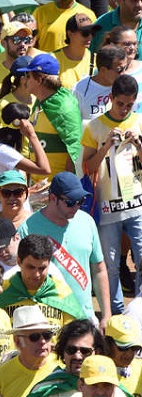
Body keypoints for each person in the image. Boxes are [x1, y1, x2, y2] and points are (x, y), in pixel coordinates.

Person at [82, 74, 142, 314]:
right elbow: (88, 168)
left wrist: (139, 145)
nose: (125, 109)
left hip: (137, 204)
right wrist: (105, 145)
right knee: (111, 263)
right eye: (120, 104)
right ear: (111, 98)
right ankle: (116, 311)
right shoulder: (94, 126)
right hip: (107, 208)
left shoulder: (138, 121)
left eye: (130, 104)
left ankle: (138, 308)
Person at [19, 172, 111, 328]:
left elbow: (99, 269)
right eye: (70, 202)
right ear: (53, 198)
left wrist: (106, 314)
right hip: (46, 319)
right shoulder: (28, 227)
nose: (76, 206)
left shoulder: (87, 221)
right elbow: (21, 275)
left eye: (80, 201)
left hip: (84, 317)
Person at [19, 319, 141, 397]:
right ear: (62, 352)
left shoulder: (116, 393)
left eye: (85, 351)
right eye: (71, 350)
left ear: (97, 352)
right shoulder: (44, 392)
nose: (77, 356)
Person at [0, 234, 83, 330]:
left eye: (42, 268)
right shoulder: (2, 292)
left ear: (49, 264)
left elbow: (75, 336)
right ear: (19, 262)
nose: (36, 274)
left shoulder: (63, 293)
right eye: (31, 267)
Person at [18, 54, 82, 182]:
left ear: (40, 79)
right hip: (39, 185)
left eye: (28, 76)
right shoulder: (42, 101)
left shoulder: (63, 107)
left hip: (57, 188)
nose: (24, 80)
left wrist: (65, 186)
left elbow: (74, 148)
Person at [0, 305, 58, 397]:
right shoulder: (1, 376)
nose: (42, 341)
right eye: (34, 337)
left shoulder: (62, 366)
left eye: (47, 335)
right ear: (17, 341)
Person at [0, 105, 50, 214]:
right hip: (10, 219)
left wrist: (27, 191)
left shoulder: (2, 150)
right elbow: (45, 169)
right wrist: (32, 136)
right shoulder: (3, 151)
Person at [72, 45, 127, 126]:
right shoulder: (80, 89)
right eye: (119, 69)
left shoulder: (126, 87)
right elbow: (72, 124)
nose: (123, 73)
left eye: (125, 68)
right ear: (103, 70)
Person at [0, 56, 35, 134]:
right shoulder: (3, 104)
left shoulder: (39, 99)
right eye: (32, 75)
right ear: (22, 79)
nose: (37, 79)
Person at [55, 14, 101, 89]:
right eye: (85, 33)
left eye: (92, 33)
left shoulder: (97, 60)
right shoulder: (53, 59)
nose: (90, 37)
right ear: (70, 34)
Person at [105, 314, 142, 397]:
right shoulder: (96, 371)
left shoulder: (140, 368)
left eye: (134, 348)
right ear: (107, 343)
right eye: (123, 348)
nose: (129, 354)